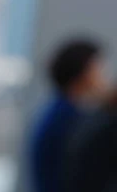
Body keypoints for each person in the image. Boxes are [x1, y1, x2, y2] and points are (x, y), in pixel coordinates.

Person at [29, 39, 108, 192]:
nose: (103, 76)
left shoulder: (59, 112)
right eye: (98, 68)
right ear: (85, 73)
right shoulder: (69, 119)